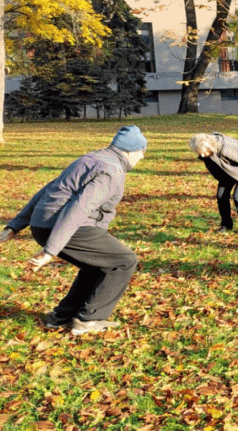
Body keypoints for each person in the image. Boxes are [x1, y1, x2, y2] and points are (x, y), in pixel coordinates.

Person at [0, 125, 148, 335]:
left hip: (42, 225)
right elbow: (80, 208)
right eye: (142, 152)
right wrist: (50, 251)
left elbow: (46, 191)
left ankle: (61, 317)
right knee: (124, 261)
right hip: (68, 227)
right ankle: (89, 320)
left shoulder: (89, 159)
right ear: (131, 151)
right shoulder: (112, 170)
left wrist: (15, 226)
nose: (142, 158)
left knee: (96, 265)